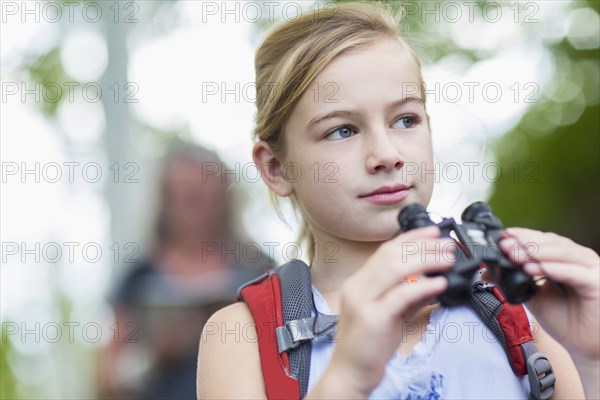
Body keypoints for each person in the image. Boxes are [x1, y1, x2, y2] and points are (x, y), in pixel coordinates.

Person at [196, 2, 599, 399]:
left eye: (405, 120)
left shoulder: (517, 303)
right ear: (277, 168)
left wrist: (590, 363)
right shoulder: (243, 337)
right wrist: (347, 379)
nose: (386, 153)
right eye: (342, 130)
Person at [98, 141, 273, 399]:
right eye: (189, 198)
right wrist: (155, 356)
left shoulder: (260, 269)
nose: (199, 212)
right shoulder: (139, 279)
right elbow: (107, 380)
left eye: (207, 198)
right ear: (166, 202)